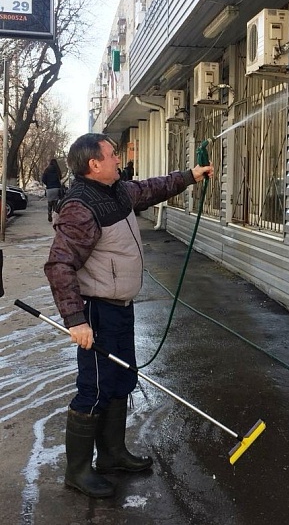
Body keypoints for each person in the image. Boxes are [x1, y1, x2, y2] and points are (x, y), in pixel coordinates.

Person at [44, 133, 213, 498]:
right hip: (97, 311)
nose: (118, 159)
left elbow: (151, 189)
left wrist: (191, 175)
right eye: (112, 154)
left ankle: (112, 455)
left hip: (121, 308)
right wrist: (75, 320)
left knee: (121, 379)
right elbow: (59, 265)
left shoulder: (117, 191)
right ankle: (77, 471)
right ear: (94, 164)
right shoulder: (80, 207)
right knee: (94, 389)